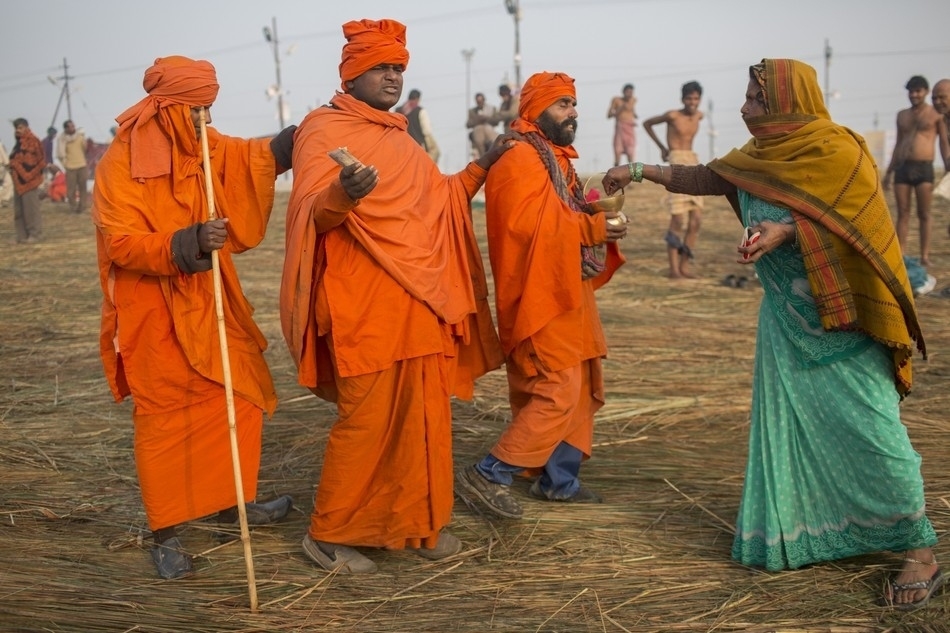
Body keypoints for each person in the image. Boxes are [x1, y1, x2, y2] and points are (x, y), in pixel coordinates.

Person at [603, 58, 942, 611]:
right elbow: (710, 177)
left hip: (846, 324)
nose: (742, 107)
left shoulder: (839, 152)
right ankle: (818, 533)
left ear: (785, 101)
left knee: (876, 432)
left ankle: (921, 554)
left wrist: (789, 230)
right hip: (786, 324)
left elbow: (862, 230)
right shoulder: (759, 157)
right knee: (801, 437)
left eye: (754, 100)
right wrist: (637, 172)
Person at [280, 18, 511, 574]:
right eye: (381, 68)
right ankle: (331, 535)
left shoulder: (398, 135)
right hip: (363, 304)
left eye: (398, 69)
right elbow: (312, 212)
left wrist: (483, 164)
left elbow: (442, 199)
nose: (392, 77)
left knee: (425, 418)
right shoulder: (322, 129)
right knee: (367, 420)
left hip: (421, 300)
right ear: (352, 74)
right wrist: (343, 191)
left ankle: (417, 526)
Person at [92, 55, 296, 580]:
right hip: (153, 314)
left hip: (209, 302)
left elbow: (244, 158)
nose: (207, 120)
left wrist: (289, 142)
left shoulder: (198, 140)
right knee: (165, 421)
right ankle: (167, 533)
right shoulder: (120, 163)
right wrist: (186, 242)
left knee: (240, 396)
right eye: (198, 110)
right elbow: (119, 242)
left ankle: (234, 505)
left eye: (210, 109)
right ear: (167, 108)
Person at [455, 71, 627, 520]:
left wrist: (597, 211)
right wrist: (593, 226)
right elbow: (528, 227)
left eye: (574, 104)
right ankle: (489, 472)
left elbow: (559, 214)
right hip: (539, 293)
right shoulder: (517, 159)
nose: (574, 113)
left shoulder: (555, 159)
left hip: (569, 290)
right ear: (535, 110)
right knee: (557, 390)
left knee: (582, 384)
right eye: (563, 104)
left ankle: (559, 481)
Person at [642, 81, 705, 279]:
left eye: (695, 99)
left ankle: (684, 265)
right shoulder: (672, 115)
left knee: (696, 220)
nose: (692, 102)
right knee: (678, 218)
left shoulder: (699, 116)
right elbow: (647, 123)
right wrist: (662, 147)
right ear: (682, 99)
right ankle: (673, 269)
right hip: (676, 162)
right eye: (689, 98)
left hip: (693, 162)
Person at [883, 75, 942, 266]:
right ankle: (901, 254)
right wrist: (889, 172)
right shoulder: (902, 115)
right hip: (902, 167)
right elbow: (899, 143)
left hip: (924, 167)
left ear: (926, 92)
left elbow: (944, 143)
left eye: (918, 91)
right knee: (903, 212)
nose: (914, 95)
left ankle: (925, 256)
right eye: (911, 91)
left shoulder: (935, 114)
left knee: (924, 213)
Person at [8, 118, 46, 243]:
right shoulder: (18, 144)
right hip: (18, 181)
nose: (17, 131)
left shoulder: (33, 141)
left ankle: (35, 234)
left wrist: (30, 174)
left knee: (31, 210)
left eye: (20, 128)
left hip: (30, 181)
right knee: (19, 211)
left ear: (26, 127)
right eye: (16, 129)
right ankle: (21, 236)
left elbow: (40, 161)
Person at [398, 88, 440, 163]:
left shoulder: (397, 111)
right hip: (418, 147)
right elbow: (427, 131)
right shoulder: (420, 111)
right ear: (418, 99)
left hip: (400, 147)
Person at [56, 119, 89, 213]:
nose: (72, 128)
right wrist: (65, 164)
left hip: (81, 165)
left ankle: (82, 207)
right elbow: (60, 154)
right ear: (66, 128)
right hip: (70, 167)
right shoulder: (62, 139)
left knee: (83, 187)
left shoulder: (80, 137)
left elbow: (85, 148)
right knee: (71, 189)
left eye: (73, 126)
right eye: (70, 127)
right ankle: (73, 207)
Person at [607, 83, 637, 166]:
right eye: (628, 92)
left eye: (631, 92)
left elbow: (632, 111)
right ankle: (615, 174)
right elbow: (609, 115)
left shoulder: (633, 100)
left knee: (631, 153)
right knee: (617, 152)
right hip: (620, 128)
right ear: (623, 92)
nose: (630, 94)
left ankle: (633, 175)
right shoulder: (616, 100)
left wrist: (634, 115)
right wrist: (621, 108)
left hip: (630, 129)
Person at [467, 92, 498, 159]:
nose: (480, 103)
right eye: (478, 101)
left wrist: (486, 119)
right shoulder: (472, 111)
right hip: (478, 135)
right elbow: (468, 124)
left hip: (489, 134)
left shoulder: (491, 109)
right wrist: (477, 120)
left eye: (481, 101)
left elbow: (496, 121)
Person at [0, 140, 13, 207]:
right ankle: (4, 199)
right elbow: (5, 158)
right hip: (1, 167)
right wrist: (9, 166)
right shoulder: (0, 145)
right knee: (8, 182)